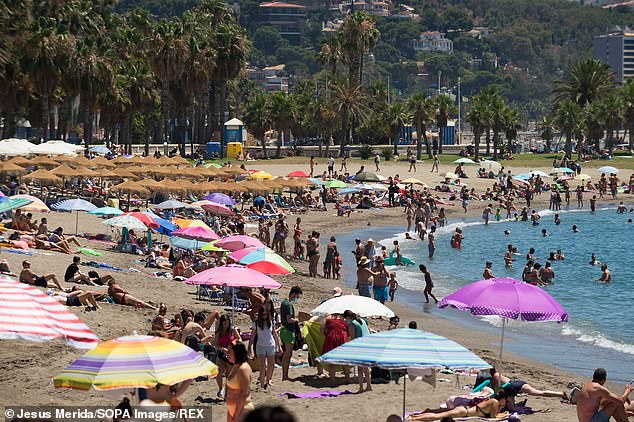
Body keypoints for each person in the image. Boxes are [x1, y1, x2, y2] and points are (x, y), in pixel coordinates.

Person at [407, 390, 508, 421]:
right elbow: (493, 417)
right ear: (502, 399)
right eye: (505, 401)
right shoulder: (495, 402)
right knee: (438, 416)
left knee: (441, 413)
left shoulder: (491, 400)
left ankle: (415, 416)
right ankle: (414, 419)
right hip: (464, 412)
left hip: (463, 410)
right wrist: (504, 415)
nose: (505, 403)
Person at [490, 367, 568, 405]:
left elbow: (498, 390)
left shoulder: (494, 378)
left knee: (541, 393)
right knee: (540, 392)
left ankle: (560, 394)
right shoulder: (497, 375)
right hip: (516, 384)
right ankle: (560, 394)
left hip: (516, 387)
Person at [249, 306, 280, 390]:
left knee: (271, 365)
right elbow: (253, 335)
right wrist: (249, 346)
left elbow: (275, 334)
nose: (264, 316)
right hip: (260, 345)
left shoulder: (271, 322)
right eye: (262, 314)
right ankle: (262, 384)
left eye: (265, 314)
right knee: (262, 366)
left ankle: (268, 380)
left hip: (271, 345)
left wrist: (279, 345)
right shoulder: (256, 323)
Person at [226, 341, 254, 422]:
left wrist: (236, 414)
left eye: (229, 351)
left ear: (236, 352)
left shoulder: (243, 368)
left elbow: (244, 393)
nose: (227, 353)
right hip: (233, 409)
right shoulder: (235, 366)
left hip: (242, 410)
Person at [344, 310, 371, 392]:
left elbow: (352, 338)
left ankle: (361, 387)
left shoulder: (352, 324)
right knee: (365, 368)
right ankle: (368, 386)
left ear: (348, 317)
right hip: (367, 345)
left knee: (360, 369)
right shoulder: (362, 321)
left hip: (360, 347)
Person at [280, 286, 302, 381]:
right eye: (297, 296)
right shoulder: (288, 305)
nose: (296, 298)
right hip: (288, 331)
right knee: (288, 355)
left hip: (284, 330)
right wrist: (297, 320)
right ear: (293, 293)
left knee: (286, 354)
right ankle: (285, 376)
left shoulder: (284, 302)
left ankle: (285, 375)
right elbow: (289, 320)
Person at [321, 313, 350, 383]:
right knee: (344, 360)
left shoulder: (328, 319)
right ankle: (347, 379)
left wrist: (328, 334)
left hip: (331, 339)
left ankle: (333, 380)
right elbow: (349, 332)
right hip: (342, 338)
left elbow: (322, 330)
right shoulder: (345, 321)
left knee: (331, 361)